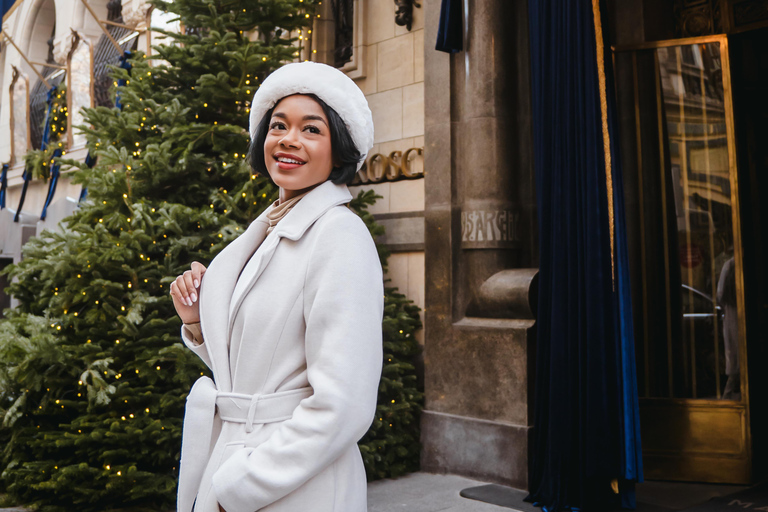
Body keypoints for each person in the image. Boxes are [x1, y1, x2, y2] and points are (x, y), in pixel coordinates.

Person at [169, 61, 383, 512]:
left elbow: (344, 404)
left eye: (311, 129)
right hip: (237, 460)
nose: (288, 139)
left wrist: (243, 487)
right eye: (279, 126)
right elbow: (260, 368)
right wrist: (200, 326)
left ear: (339, 152)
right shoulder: (268, 227)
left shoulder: (338, 235)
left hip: (293, 483)